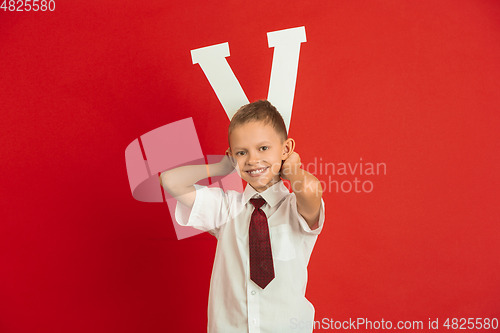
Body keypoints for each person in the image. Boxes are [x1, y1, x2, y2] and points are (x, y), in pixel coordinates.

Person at [160, 100, 325, 333]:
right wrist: (221, 168)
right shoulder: (226, 208)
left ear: (286, 150)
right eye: (241, 152)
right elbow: (170, 181)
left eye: (264, 148)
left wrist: (293, 171)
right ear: (232, 156)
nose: (252, 160)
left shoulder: (294, 208)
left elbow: (310, 190)